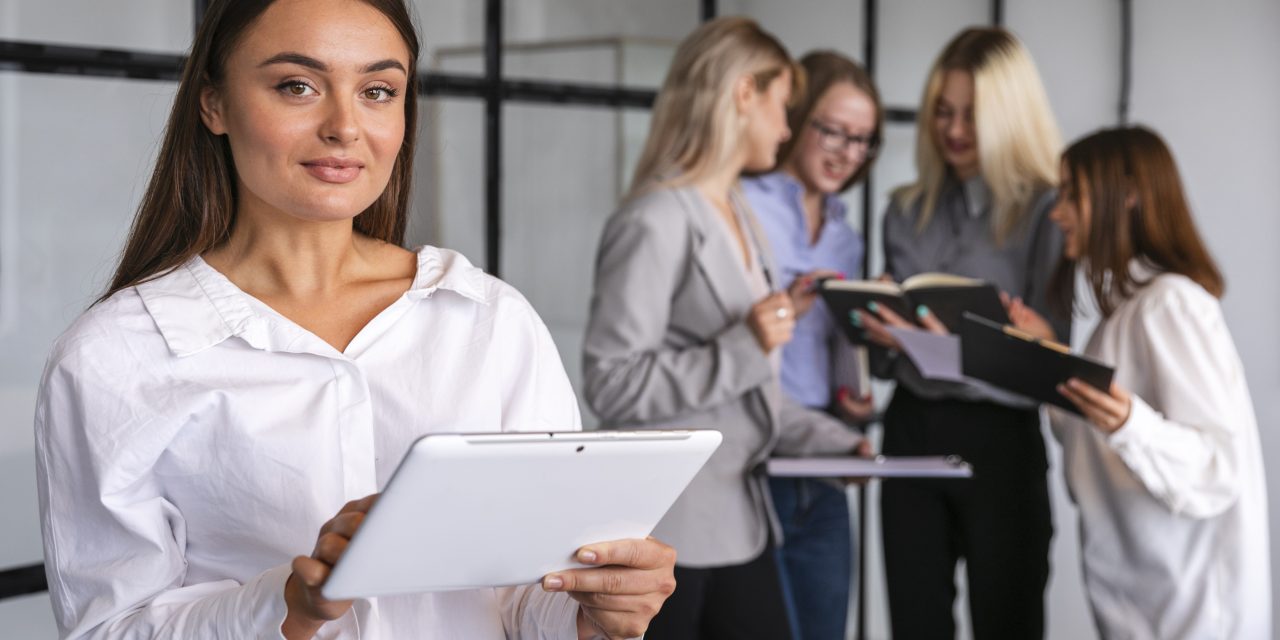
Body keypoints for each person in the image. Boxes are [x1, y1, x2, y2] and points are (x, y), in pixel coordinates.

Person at [34, 1, 675, 638]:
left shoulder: (489, 322)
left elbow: (521, 602)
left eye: (376, 90)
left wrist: (595, 611)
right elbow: (108, 629)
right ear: (214, 105)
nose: (345, 126)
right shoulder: (114, 355)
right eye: (297, 86)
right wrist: (290, 603)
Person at [582, 17, 870, 640]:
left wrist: (836, 442)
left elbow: (752, 392)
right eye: (783, 106)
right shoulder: (656, 218)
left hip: (742, 522)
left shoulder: (740, 213)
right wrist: (745, 343)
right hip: (670, 532)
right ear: (744, 95)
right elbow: (610, 384)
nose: (788, 128)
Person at [1006, 126, 1271, 639]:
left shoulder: (1171, 304)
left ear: (1125, 196)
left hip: (1193, 620)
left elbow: (1217, 470)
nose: (1057, 213)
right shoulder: (1120, 319)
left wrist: (1132, 424)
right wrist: (1049, 357)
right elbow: (1091, 441)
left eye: (1071, 194)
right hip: (1140, 613)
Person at [855, 27, 1066, 638]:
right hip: (913, 426)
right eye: (942, 113)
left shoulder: (1049, 215)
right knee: (915, 621)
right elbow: (889, 365)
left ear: (1008, 116)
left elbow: (1052, 365)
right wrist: (879, 335)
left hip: (1001, 440)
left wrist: (941, 349)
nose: (953, 130)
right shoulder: (904, 209)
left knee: (1009, 620)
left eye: (972, 115)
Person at [740, 50, 881, 640]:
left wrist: (856, 398)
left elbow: (836, 348)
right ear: (794, 118)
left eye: (863, 140)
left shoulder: (846, 236)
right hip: (753, 448)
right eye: (834, 130)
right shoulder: (743, 207)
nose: (846, 152)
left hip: (824, 448)